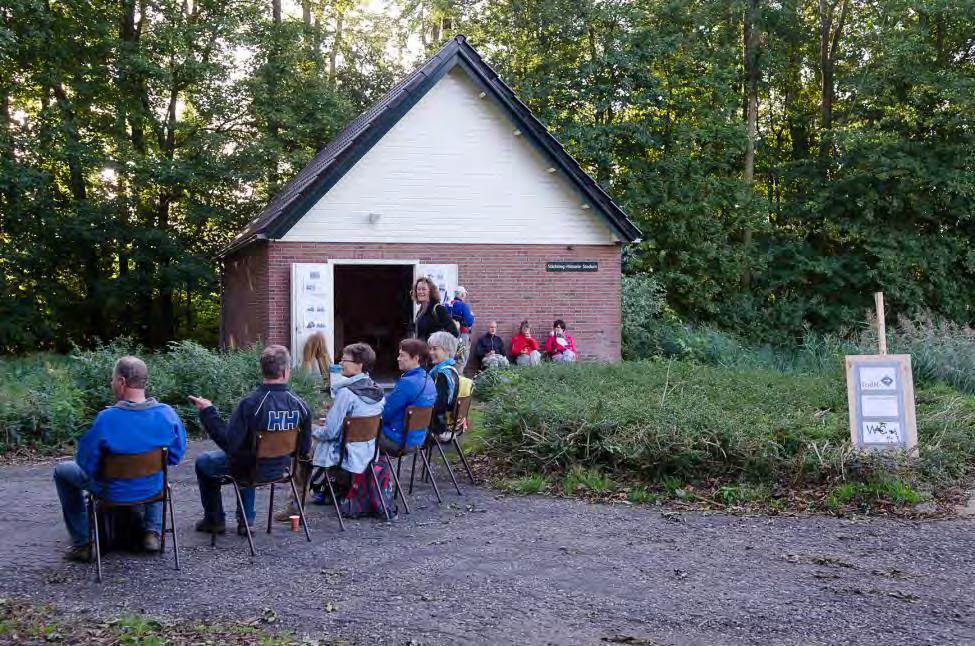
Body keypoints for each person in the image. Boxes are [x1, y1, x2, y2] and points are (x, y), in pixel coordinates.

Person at [54, 357, 187, 562]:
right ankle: (152, 532)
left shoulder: (106, 418)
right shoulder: (167, 414)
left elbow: (85, 463)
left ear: (122, 381)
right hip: (153, 489)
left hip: (112, 491)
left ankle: (83, 544)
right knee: (158, 470)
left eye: (112, 379)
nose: (111, 383)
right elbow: (175, 456)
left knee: (63, 471)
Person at [189, 345, 312, 536]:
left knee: (206, 462)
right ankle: (246, 521)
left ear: (262, 369)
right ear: (286, 371)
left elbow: (230, 445)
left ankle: (215, 520)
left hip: (250, 469)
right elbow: (303, 449)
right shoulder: (301, 405)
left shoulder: (250, 404)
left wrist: (208, 412)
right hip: (282, 468)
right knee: (249, 454)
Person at [311, 343, 385, 476]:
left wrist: (312, 429)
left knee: (305, 444)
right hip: (369, 452)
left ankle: (308, 491)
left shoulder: (346, 393)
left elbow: (330, 433)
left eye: (345, 360)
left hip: (345, 454)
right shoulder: (378, 390)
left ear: (359, 365)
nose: (340, 363)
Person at [379, 339, 437, 454]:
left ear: (416, 358)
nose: (398, 358)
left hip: (398, 440)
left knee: (356, 434)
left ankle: (370, 471)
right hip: (418, 440)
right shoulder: (428, 378)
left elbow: (385, 413)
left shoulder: (408, 382)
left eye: (402, 355)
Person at [427, 331, 461, 441]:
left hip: (436, 426)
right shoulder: (453, 369)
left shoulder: (442, 374)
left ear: (448, 351)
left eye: (435, 349)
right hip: (444, 423)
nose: (431, 352)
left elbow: (439, 404)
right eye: (430, 348)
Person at [413, 276, 459, 341]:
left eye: (424, 289)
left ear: (430, 291)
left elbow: (454, 332)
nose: (420, 292)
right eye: (418, 289)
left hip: (433, 350)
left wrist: (436, 344)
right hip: (422, 350)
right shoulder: (419, 312)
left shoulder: (438, 309)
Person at [448, 286, 475, 373]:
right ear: (462, 294)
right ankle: (457, 379)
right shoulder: (463, 306)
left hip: (449, 335)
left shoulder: (447, 304)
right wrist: (472, 316)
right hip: (462, 335)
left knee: (450, 356)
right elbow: (469, 322)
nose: (465, 297)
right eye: (465, 295)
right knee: (461, 358)